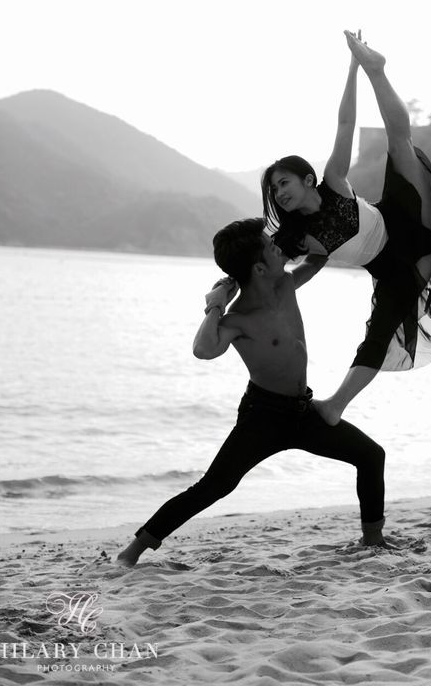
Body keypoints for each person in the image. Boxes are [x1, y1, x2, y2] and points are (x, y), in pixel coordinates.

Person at [116, 218, 387, 567]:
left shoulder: (286, 285)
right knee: (214, 486)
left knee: (370, 455)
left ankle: (373, 540)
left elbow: (318, 259)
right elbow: (203, 349)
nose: (278, 248)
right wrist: (216, 304)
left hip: (303, 411)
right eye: (271, 246)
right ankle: (133, 551)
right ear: (259, 267)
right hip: (263, 417)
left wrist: (313, 224)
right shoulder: (238, 319)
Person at [261, 30, 431, 427]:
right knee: (377, 338)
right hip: (394, 268)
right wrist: (231, 287)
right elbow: (264, 267)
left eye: (284, 183)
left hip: (402, 218)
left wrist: (355, 68)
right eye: (274, 189)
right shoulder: (294, 237)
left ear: (307, 179)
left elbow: (345, 121)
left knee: (400, 143)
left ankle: (379, 70)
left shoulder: (334, 180)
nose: (279, 192)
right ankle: (333, 406)